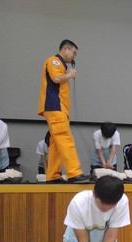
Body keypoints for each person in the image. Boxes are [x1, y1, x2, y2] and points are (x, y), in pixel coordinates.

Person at [57, 175, 130, 242]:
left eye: (111, 205)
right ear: (94, 194)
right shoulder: (78, 203)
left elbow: (110, 237)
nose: (106, 208)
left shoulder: (122, 201)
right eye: (102, 203)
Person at [38, 39, 90, 184]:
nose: (74, 56)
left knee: (55, 142)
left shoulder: (60, 64)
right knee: (65, 138)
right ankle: (74, 172)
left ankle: (53, 175)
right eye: (73, 53)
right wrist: (70, 75)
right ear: (66, 49)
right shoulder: (54, 61)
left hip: (58, 108)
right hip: (55, 107)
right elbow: (55, 78)